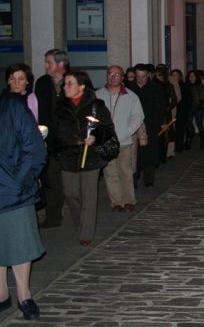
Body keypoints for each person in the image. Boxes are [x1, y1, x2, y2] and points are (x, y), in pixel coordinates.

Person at [51, 70, 114, 246]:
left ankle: (86, 233)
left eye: (70, 83)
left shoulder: (96, 106)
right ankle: (81, 222)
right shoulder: (60, 107)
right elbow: (55, 133)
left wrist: (96, 138)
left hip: (91, 157)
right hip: (68, 157)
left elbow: (108, 129)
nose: (65, 87)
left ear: (81, 86)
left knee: (88, 195)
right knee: (70, 194)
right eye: (65, 84)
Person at [0, 90, 47, 320]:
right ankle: (0, 294)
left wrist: (20, 180)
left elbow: (34, 146)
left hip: (12, 189)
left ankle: (23, 294)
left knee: (20, 243)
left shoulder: (12, 106)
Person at [96, 65, 145, 212]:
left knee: (125, 171)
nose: (113, 77)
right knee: (110, 172)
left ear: (122, 77)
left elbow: (138, 116)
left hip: (124, 141)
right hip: (105, 141)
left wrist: (127, 131)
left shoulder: (130, 96)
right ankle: (116, 201)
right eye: (110, 74)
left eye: (117, 74)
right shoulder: (98, 95)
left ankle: (129, 200)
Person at [34, 49, 69, 228]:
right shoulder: (42, 83)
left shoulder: (74, 80)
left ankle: (74, 213)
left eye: (49, 62)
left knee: (72, 182)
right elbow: (40, 112)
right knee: (52, 179)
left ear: (60, 64)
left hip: (70, 141)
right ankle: (53, 215)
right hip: (50, 141)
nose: (46, 66)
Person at [128, 64, 166, 187]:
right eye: (138, 76)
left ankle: (148, 179)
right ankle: (133, 179)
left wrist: (159, 122)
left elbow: (161, 106)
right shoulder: (130, 89)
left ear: (147, 75)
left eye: (143, 76)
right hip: (133, 126)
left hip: (150, 124)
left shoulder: (155, 88)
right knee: (134, 154)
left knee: (149, 152)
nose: (140, 79)